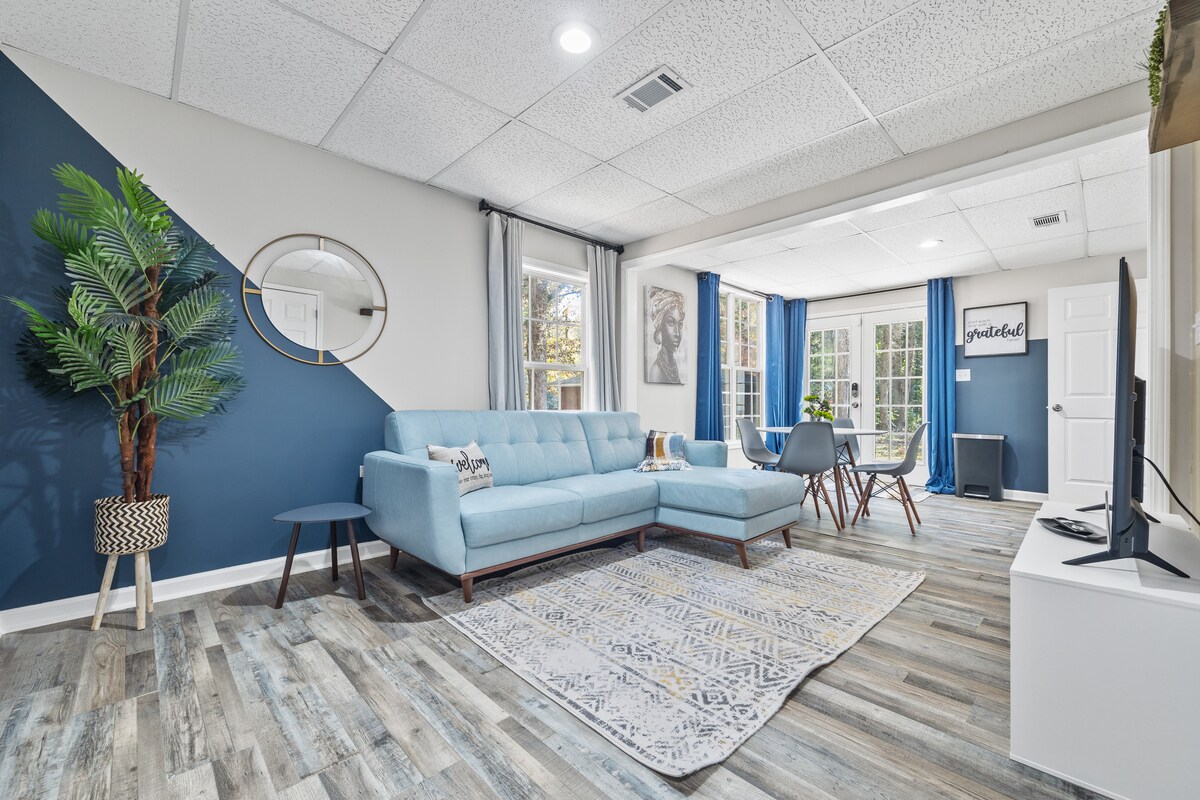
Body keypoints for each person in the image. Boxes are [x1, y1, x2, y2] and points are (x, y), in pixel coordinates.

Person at [647, 289, 684, 384]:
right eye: (671, 323)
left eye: (680, 324)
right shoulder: (657, 371)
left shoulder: (672, 365)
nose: (677, 333)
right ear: (660, 326)